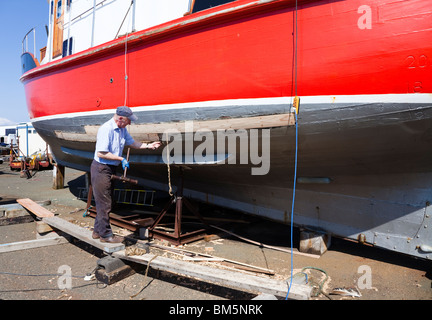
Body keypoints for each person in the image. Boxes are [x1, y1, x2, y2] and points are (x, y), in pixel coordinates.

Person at [90, 106, 161, 243]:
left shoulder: (122, 129)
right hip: (101, 168)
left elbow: (132, 143)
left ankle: (97, 231)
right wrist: (121, 158)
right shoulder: (107, 129)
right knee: (105, 203)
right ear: (121, 119)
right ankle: (106, 235)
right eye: (129, 120)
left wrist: (148, 146)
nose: (130, 123)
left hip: (110, 168)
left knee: (105, 201)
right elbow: (101, 153)